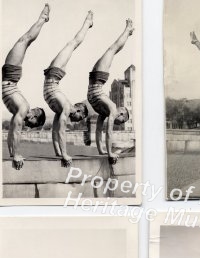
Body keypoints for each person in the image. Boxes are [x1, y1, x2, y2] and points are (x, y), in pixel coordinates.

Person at [2, 4, 49, 170]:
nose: (34, 111)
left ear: (35, 118)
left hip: (10, 76)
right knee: (25, 40)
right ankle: (42, 19)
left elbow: (13, 131)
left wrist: (14, 154)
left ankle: (43, 19)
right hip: (11, 77)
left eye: (36, 114)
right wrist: (13, 153)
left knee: (25, 40)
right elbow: (13, 132)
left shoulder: (21, 111)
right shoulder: (21, 110)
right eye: (36, 111)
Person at [43, 12, 92, 167]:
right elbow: (61, 132)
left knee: (73, 44)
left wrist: (58, 152)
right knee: (73, 43)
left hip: (53, 77)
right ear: (79, 110)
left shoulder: (61, 110)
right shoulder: (64, 108)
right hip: (53, 76)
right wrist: (64, 154)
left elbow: (55, 131)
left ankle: (87, 23)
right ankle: (87, 23)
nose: (77, 120)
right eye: (80, 117)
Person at [87, 19, 134, 165]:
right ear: (122, 113)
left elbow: (98, 130)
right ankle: (127, 30)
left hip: (96, 81)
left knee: (113, 50)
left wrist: (101, 150)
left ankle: (128, 31)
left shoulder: (104, 112)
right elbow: (108, 132)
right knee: (113, 49)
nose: (119, 123)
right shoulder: (112, 109)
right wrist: (109, 153)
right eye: (122, 121)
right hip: (95, 81)